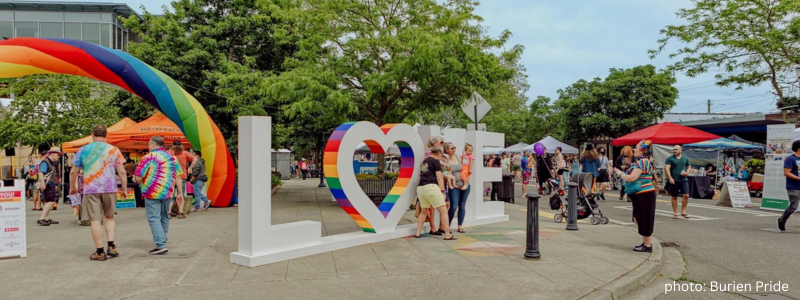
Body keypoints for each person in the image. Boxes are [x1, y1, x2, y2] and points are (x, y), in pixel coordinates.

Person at [69, 125, 127, 261]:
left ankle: (100, 252)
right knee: (110, 217)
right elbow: (122, 171)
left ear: (92, 135)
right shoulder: (114, 150)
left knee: (95, 220)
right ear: (106, 135)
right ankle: (111, 245)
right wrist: (124, 188)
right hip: (110, 188)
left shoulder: (83, 150)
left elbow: (73, 171)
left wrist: (73, 187)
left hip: (91, 189)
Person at [134, 136, 185, 254]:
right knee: (164, 217)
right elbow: (178, 176)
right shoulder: (172, 158)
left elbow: (138, 178)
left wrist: (136, 178)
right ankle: (163, 240)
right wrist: (180, 193)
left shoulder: (147, 157)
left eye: (148, 144)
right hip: (168, 192)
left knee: (154, 218)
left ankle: (161, 244)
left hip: (152, 193)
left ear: (152, 144)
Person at [614, 140, 659, 252]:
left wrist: (619, 173)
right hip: (642, 194)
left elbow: (632, 178)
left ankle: (647, 245)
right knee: (637, 218)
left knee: (643, 218)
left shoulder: (642, 162)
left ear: (642, 150)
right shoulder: (644, 162)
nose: (634, 149)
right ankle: (645, 242)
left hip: (644, 194)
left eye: (636, 148)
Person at [413, 137, 456, 240]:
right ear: (439, 153)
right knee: (443, 210)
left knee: (424, 211)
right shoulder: (436, 161)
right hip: (431, 187)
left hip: (421, 188)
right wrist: (442, 191)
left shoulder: (425, 161)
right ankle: (447, 234)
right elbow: (439, 178)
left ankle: (418, 233)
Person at [445, 142, 470, 233]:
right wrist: (452, 183)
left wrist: (465, 183)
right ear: (447, 150)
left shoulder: (459, 157)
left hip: (464, 184)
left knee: (462, 205)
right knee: (453, 206)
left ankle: (460, 226)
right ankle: (447, 226)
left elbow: (466, 169)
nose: (454, 150)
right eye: (452, 148)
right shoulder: (446, 160)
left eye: (454, 147)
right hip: (454, 186)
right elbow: (448, 173)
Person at [36, 147, 63, 226]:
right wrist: (43, 183)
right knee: (50, 201)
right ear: (53, 153)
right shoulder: (45, 162)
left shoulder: (52, 162)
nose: (58, 156)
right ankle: (42, 218)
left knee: (48, 201)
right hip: (48, 183)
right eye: (57, 154)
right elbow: (41, 173)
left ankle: (46, 219)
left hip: (51, 183)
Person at [168, 141, 194, 219]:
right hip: (181, 176)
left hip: (170, 177)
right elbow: (195, 159)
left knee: (170, 196)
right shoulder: (185, 153)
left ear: (172, 145)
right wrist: (190, 168)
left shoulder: (168, 152)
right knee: (180, 195)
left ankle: (168, 213)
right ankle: (181, 213)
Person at [778, 140, 800, 231]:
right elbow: (786, 173)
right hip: (794, 186)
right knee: (793, 206)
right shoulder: (790, 159)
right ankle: (782, 220)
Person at [665, 145, 692, 219]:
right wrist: (670, 178)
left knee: (686, 195)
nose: (675, 151)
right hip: (674, 180)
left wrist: (687, 172)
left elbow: (689, 167)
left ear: (680, 150)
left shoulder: (685, 158)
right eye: (674, 149)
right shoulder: (670, 158)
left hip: (684, 179)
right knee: (674, 196)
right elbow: (667, 168)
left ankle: (683, 211)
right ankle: (675, 213)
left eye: (676, 149)